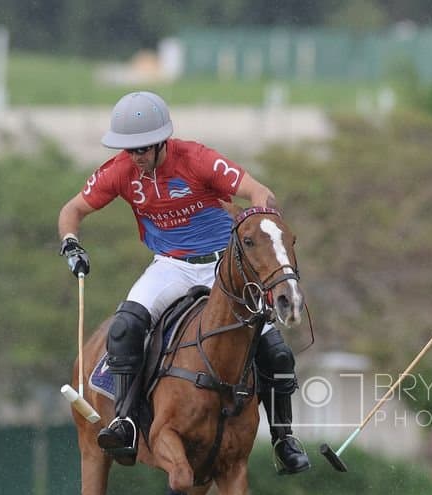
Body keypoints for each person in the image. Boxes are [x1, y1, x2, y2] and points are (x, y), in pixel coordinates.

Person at [57, 90, 310, 475]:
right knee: (125, 327)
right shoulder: (120, 171)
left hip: (223, 268)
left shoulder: (196, 159)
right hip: (170, 267)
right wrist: (71, 244)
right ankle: (125, 423)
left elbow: (259, 192)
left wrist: (257, 225)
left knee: (275, 351)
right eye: (130, 149)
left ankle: (284, 438)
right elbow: (72, 210)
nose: (136, 156)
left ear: (161, 141)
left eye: (142, 148)